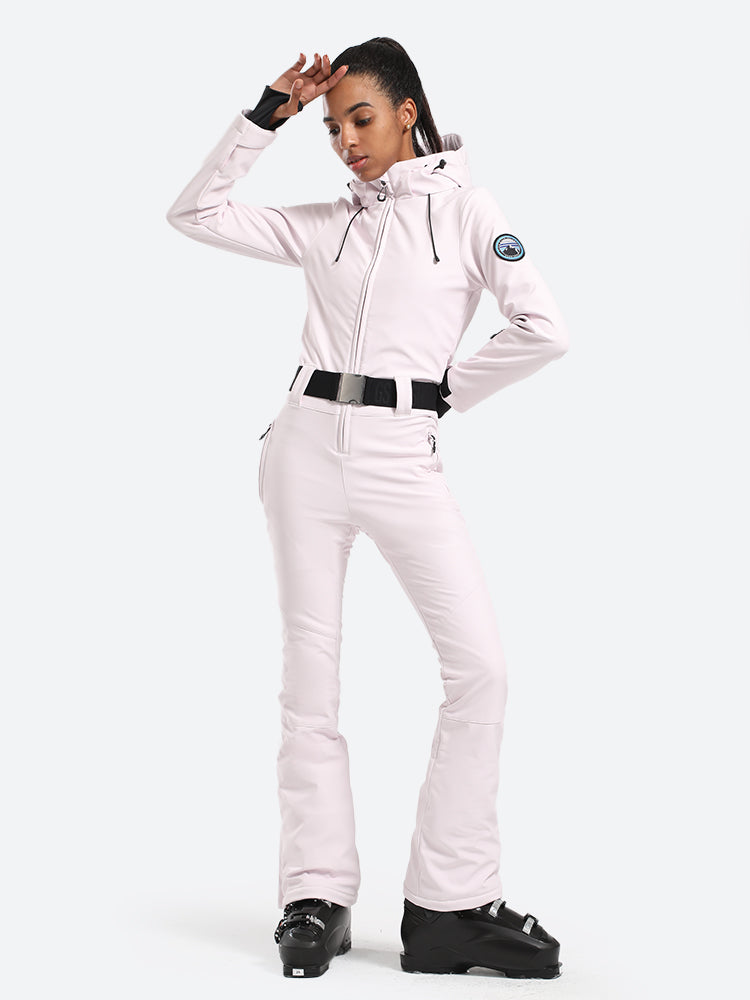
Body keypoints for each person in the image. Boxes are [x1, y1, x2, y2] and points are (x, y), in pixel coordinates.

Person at [166, 37, 569, 981]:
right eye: (331, 127)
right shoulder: (326, 224)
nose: (345, 140)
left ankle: (449, 905)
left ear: (407, 112)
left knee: (480, 670)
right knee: (310, 677)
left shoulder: (467, 210)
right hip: (304, 449)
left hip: (401, 457)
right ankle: (314, 895)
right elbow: (195, 212)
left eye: (360, 118)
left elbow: (543, 328)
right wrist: (266, 113)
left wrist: (446, 394)